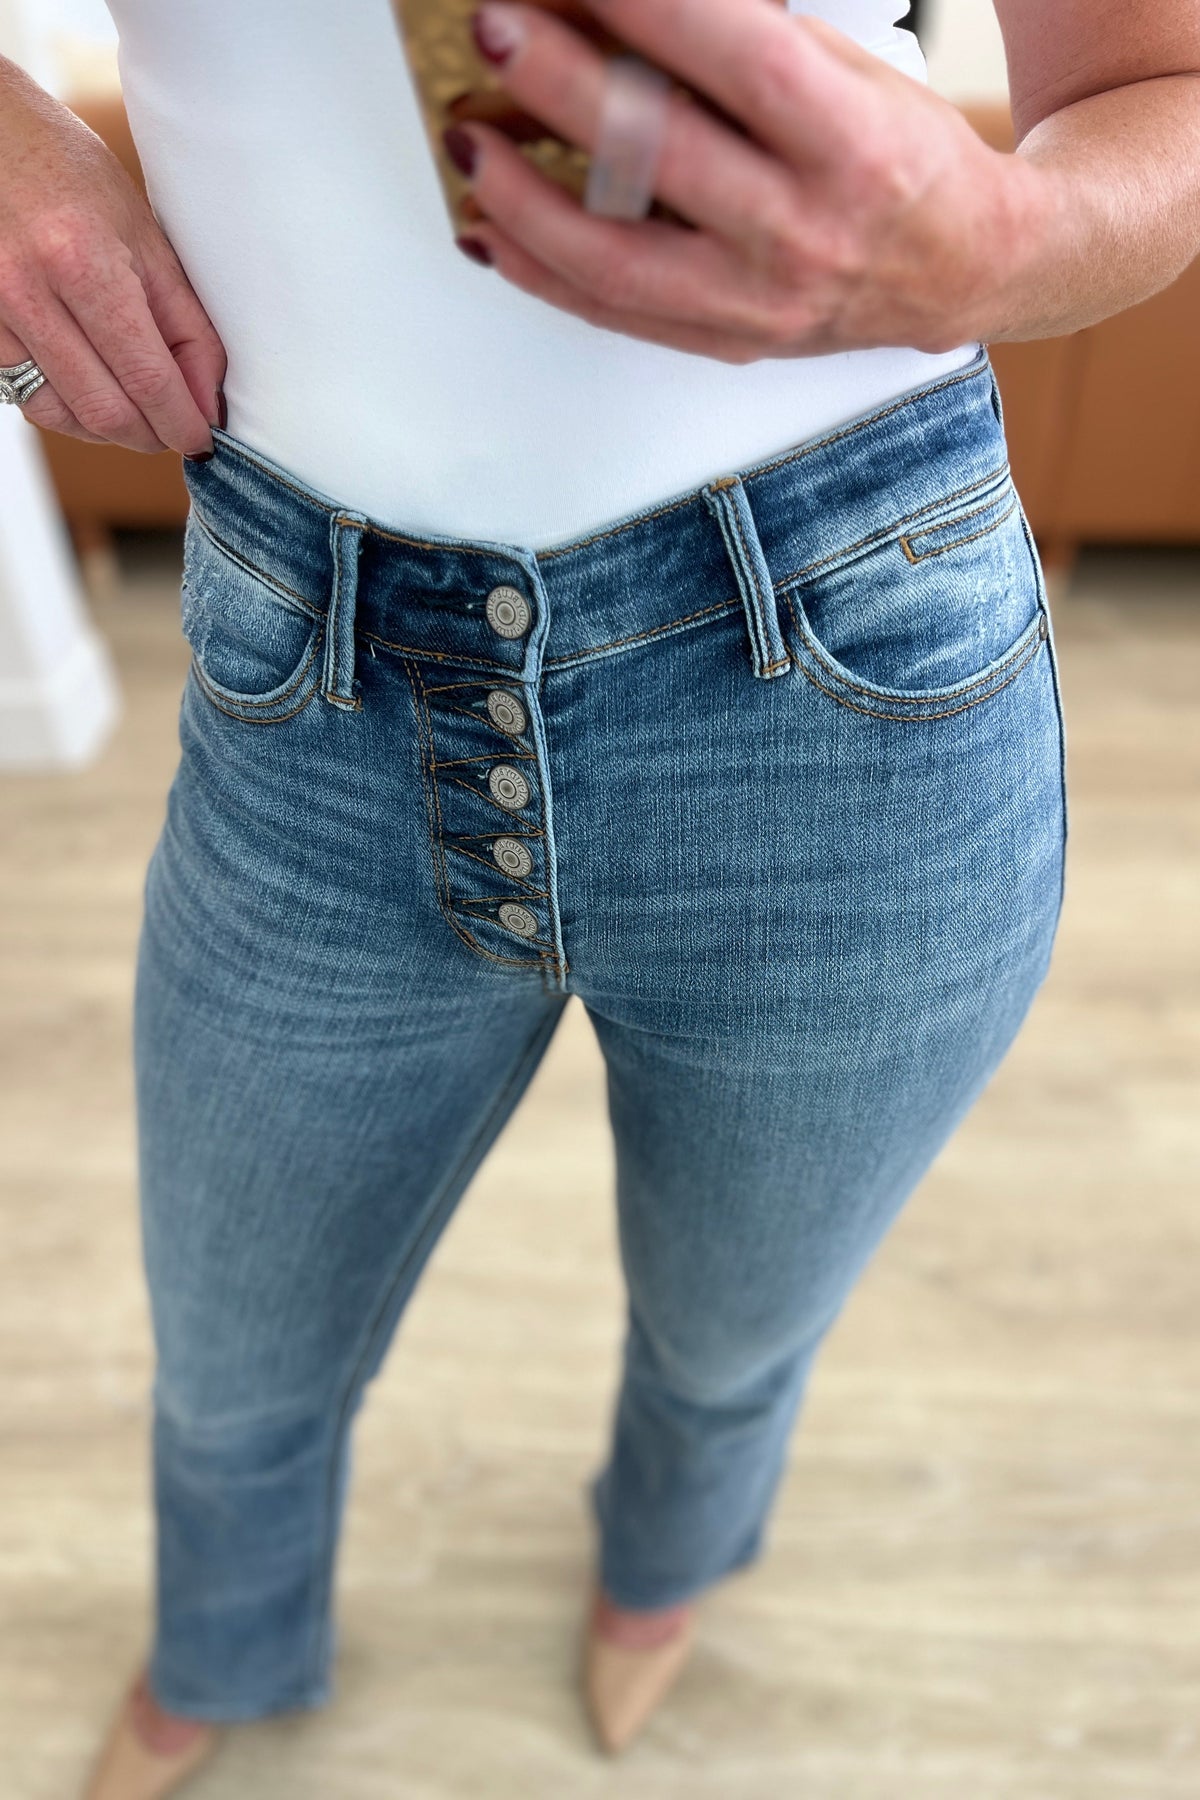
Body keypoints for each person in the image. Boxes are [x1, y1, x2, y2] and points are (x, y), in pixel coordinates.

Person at [1, 2, 1196, 1794]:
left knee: (735, 1328)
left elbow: (1159, 93)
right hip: (312, 670)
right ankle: (219, 1648)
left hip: (844, 656)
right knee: (232, 1345)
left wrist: (1011, 238)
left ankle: (661, 1572)